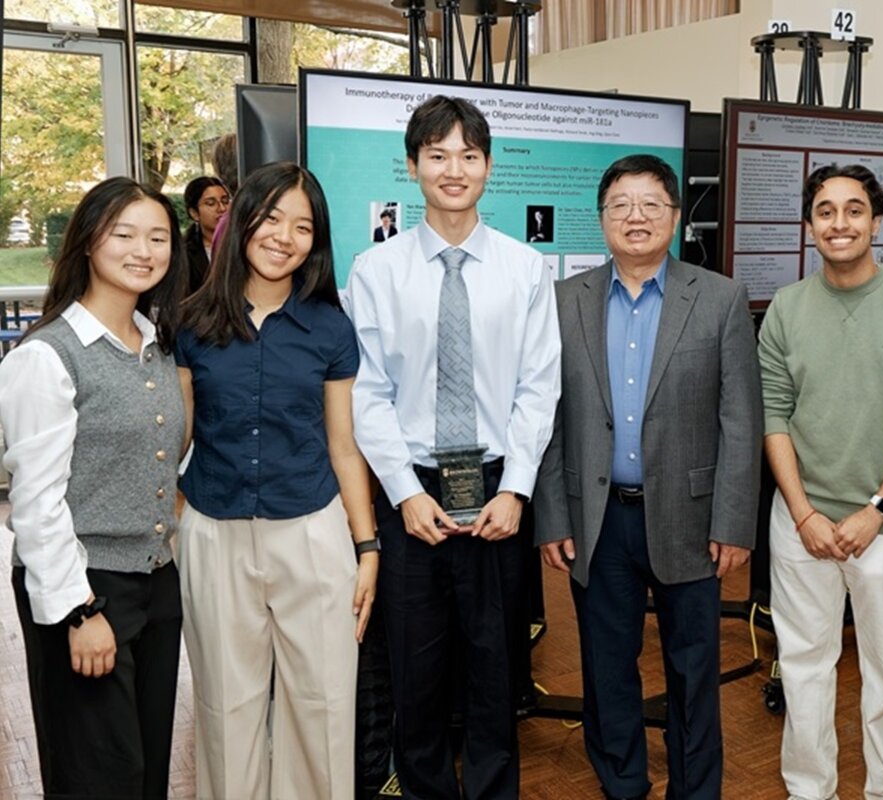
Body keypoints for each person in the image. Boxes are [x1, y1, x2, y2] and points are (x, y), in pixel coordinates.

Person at [347, 95, 561, 800]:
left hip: (498, 489)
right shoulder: (376, 270)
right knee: (416, 671)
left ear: (488, 166)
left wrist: (517, 489)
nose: (453, 169)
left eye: (468, 155)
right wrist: (405, 494)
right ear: (413, 166)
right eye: (437, 155)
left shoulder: (525, 269)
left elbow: (538, 387)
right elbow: (368, 393)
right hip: (411, 492)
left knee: (497, 667)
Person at [535, 154, 762, 800]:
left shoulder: (719, 298)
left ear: (675, 216)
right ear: (601, 219)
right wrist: (552, 515)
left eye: (651, 204)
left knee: (694, 669)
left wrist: (733, 523)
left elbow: (741, 420)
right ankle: (623, 782)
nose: (636, 217)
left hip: (691, 518)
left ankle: (695, 789)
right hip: (597, 520)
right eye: (621, 205)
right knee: (607, 667)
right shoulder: (564, 301)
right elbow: (546, 416)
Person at [175, 162, 378, 800]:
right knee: (224, 707)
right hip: (215, 531)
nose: (284, 236)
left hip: (312, 531)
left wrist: (367, 548)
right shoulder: (191, 323)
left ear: (316, 242)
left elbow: (344, 446)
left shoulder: (331, 328)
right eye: (270, 218)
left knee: (323, 705)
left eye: (303, 226)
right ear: (241, 221)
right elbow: (175, 440)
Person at [758, 164, 883, 800]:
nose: (838, 223)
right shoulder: (786, 307)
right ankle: (808, 789)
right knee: (803, 664)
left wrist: (877, 508)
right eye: (825, 211)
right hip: (802, 523)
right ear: (808, 224)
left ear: (876, 221)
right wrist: (803, 513)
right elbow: (773, 413)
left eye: (853, 210)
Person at [0, 177, 187, 798]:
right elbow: (36, 503)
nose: (143, 250)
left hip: (156, 581)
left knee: (147, 769)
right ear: (87, 242)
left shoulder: (155, 344)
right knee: (99, 776)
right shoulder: (46, 355)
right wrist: (79, 611)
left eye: (157, 237)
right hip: (85, 586)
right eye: (123, 234)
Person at [183, 175, 230, 293]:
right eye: (211, 203)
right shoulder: (185, 255)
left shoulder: (244, 244)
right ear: (194, 213)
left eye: (225, 201)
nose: (222, 208)